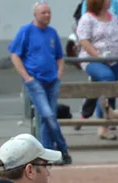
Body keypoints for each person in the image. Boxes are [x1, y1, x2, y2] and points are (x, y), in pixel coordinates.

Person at [9, 2, 72, 165]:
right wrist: (26, 77)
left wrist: (59, 74)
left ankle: (47, 154)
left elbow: (59, 56)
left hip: (52, 80)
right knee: (48, 115)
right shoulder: (26, 31)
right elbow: (15, 55)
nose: (47, 15)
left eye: (49, 12)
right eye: (43, 13)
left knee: (47, 119)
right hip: (35, 80)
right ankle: (63, 150)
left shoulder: (52, 33)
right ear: (35, 14)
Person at [76, 0, 118, 141]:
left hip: (114, 58)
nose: (109, 2)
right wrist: (97, 55)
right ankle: (101, 124)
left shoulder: (112, 16)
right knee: (107, 78)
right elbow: (84, 41)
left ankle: (109, 121)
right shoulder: (87, 18)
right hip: (92, 59)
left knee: (112, 90)